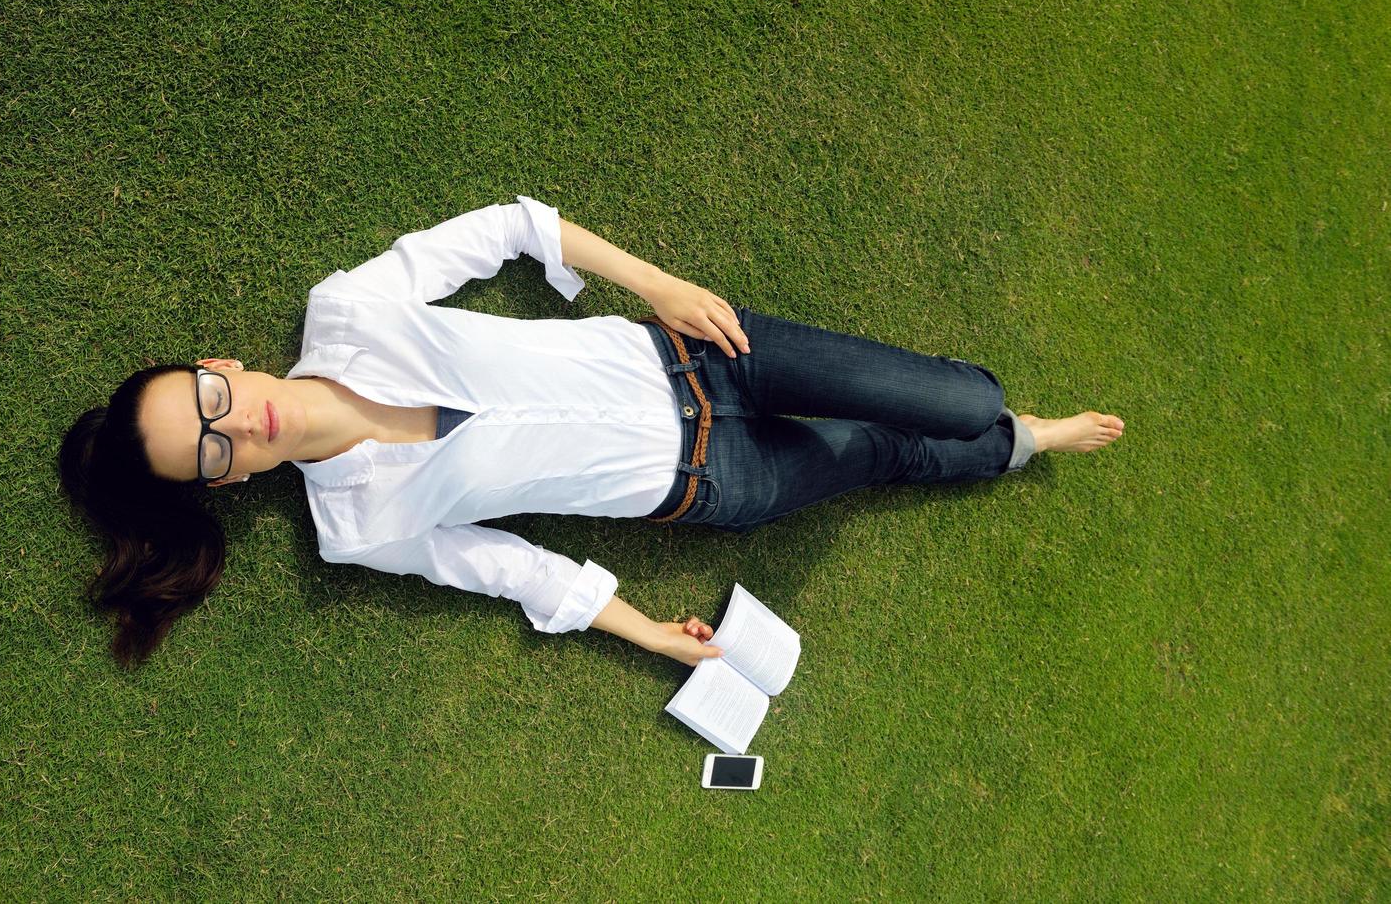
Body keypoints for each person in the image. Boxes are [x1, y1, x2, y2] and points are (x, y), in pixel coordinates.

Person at [59, 196, 1123, 669]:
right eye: (212, 449)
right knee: (886, 450)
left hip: (701, 354)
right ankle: (1025, 441)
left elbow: (511, 228)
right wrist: (649, 632)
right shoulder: (355, 523)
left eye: (209, 398)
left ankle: (994, 417)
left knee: (949, 397)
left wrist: (660, 285)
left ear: (220, 365)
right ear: (227, 480)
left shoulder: (348, 309)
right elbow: (504, 567)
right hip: (711, 478)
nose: (237, 422)